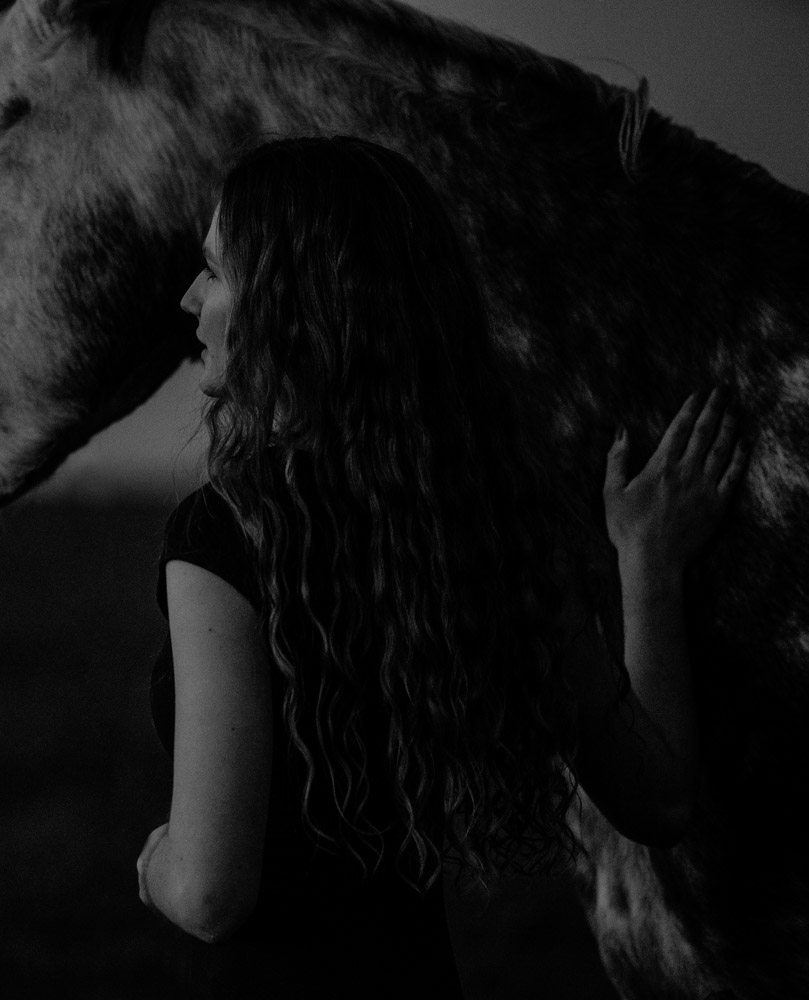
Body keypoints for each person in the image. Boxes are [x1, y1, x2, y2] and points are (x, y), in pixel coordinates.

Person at [134, 136, 748, 994]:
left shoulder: (221, 536)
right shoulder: (484, 526)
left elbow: (209, 894)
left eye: (216, 272)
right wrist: (648, 563)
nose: (192, 297)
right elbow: (661, 800)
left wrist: (155, 861)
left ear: (292, 310)